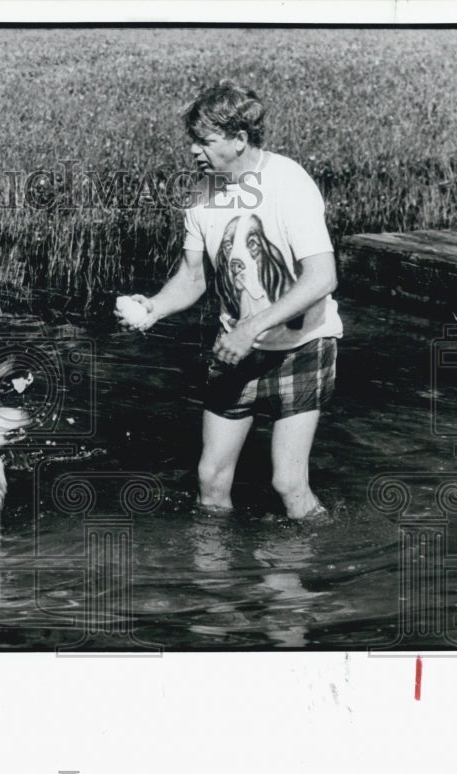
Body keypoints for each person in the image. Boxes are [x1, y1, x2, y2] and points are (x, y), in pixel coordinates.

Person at [115, 80, 342, 519]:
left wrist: (251, 327)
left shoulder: (288, 183)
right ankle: (215, 582)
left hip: (303, 346)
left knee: (287, 483)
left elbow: (322, 277)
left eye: (205, 141)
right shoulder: (203, 194)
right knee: (211, 479)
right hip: (236, 346)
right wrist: (153, 309)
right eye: (193, 141)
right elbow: (192, 275)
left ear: (240, 140)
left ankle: (315, 570)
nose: (194, 152)